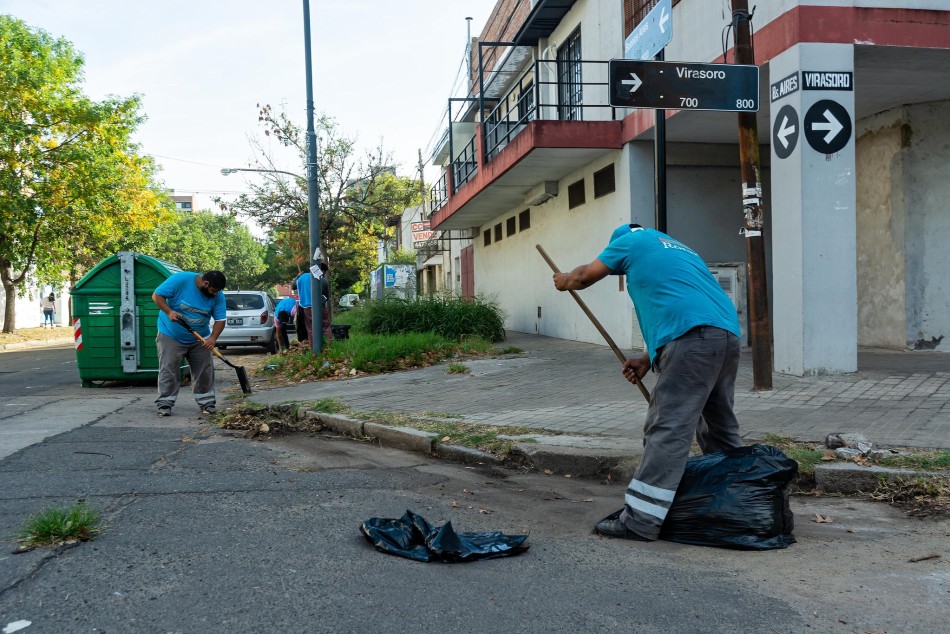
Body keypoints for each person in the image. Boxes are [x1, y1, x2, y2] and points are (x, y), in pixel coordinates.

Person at [553, 224, 742, 542]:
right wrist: (646, 358)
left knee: (668, 428)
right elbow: (683, 306)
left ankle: (641, 520)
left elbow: (583, 276)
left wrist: (564, 281)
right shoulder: (679, 248)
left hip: (692, 339)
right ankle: (738, 502)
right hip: (725, 337)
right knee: (720, 429)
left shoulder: (630, 240)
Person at [151, 270, 227, 417]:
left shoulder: (218, 296)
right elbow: (156, 295)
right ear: (206, 283)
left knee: (204, 370)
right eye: (213, 290)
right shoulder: (181, 280)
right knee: (169, 368)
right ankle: (165, 403)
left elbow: (220, 320)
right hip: (171, 334)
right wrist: (169, 312)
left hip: (200, 338)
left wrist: (212, 338)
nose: (214, 294)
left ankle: (207, 403)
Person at [317, 261, 334, 345]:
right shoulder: (324, 281)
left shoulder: (311, 279)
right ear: (323, 271)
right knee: (326, 325)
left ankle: (316, 345)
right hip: (322, 306)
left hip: (309, 307)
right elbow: (327, 295)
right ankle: (330, 343)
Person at [295, 270, 313, 344]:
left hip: (305, 306)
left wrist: (298, 276)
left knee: (309, 327)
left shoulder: (300, 278)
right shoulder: (315, 275)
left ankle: (312, 345)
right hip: (317, 305)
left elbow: (293, 286)